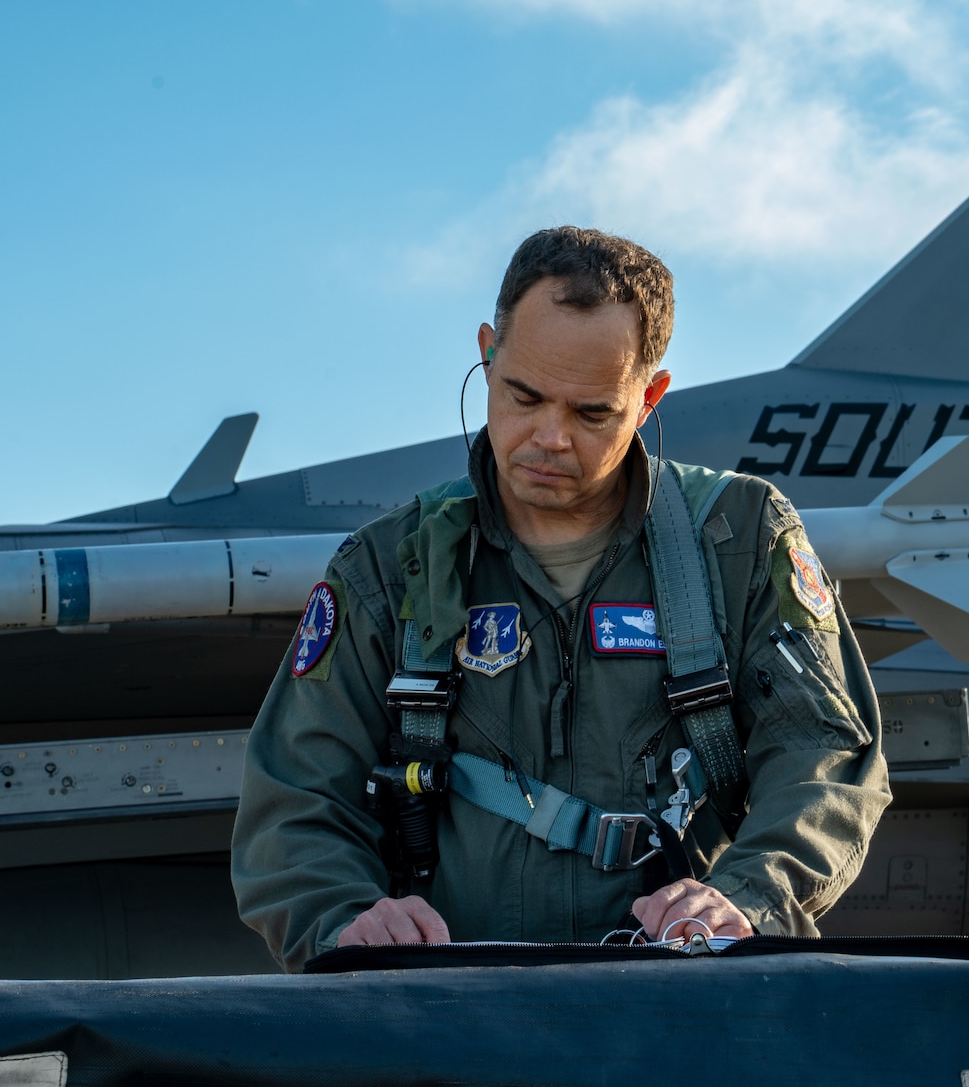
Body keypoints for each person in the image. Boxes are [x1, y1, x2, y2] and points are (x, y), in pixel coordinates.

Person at [231, 227, 890, 969]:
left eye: (591, 413)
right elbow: (295, 798)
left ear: (649, 398)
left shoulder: (740, 541)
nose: (549, 437)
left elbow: (824, 757)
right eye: (524, 395)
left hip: (686, 1003)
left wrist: (748, 896)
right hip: (450, 1017)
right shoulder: (388, 568)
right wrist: (344, 921)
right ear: (487, 353)